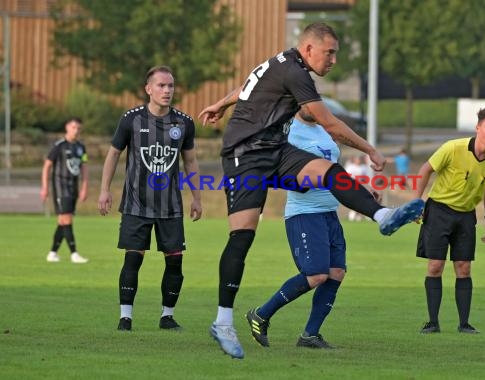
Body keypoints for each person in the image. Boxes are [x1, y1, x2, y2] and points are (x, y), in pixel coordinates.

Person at [198, 22, 424, 359]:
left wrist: (221, 103)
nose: (333, 60)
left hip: (275, 150)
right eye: (329, 52)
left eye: (336, 53)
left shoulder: (282, 64)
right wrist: (371, 150)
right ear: (308, 49)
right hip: (244, 156)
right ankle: (223, 322)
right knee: (242, 237)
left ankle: (383, 215)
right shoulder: (295, 72)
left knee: (329, 172)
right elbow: (331, 124)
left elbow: (247, 86)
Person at [246, 110, 369, 349]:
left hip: (329, 213)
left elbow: (334, 169)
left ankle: (310, 335)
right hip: (304, 213)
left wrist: (360, 193)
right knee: (316, 274)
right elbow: (271, 173)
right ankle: (261, 314)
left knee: (336, 272)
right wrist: (302, 183)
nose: (313, 106)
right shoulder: (288, 131)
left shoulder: (326, 130)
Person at [97, 66, 202, 332]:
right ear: (148, 89)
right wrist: (104, 189)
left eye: (170, 86)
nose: (167, 91)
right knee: (133, 260)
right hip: (136, 204)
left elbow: (190, 162)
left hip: (171, 207)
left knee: (175, 261)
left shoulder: (184, 122)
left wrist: (196, 198)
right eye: (161, 86)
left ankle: (167, 316)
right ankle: (125, 317)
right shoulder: (131, 119)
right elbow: (113, 154)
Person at [414, 107, 485, 335]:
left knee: (464, 268)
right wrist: (416, 203)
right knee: (435, 266)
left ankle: (464, 324)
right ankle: (432, 322)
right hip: (438, 211)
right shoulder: (453, 148)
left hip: (466, 215)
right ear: (478, 128)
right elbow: (426, 170)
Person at [40, 117, 89, 264]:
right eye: (73, 127)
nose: (76, 130)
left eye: (78, 128)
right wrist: (45, 187)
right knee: (67, 218)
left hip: (73, 187)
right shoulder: (59, 146)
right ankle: (74, 254)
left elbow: (84, 167)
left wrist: (84, 187)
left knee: (63, 221)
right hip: (61, 187)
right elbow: (47, 166)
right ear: (67, 128)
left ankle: (52, 253)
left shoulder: (81, 147)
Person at [344, 155, 365, 221]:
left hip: (359, 186)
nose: (359, 161)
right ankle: (352, 214)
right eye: (357, 159)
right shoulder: (351, 167)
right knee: (354, 200)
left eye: (359, 160)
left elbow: (362, 177)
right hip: (351, 185)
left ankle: (357, 215)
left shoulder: (361, 168)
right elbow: (347, 175)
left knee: (360, 201)